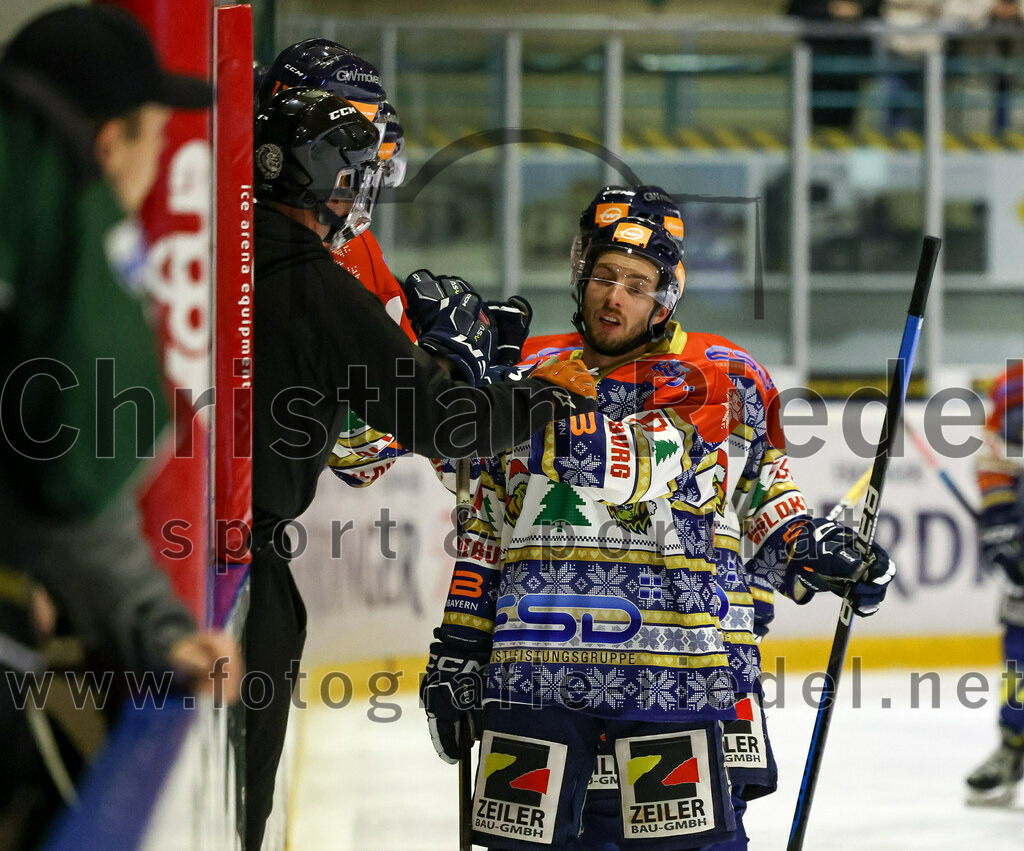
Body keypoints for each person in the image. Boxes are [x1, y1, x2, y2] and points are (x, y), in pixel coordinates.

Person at [419, 191, 896, 849]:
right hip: (536, 667)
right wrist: (460, 645)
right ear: (580, 272)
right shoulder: (531, 373)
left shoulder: (724, 379)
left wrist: (809, 546)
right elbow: (485, 522)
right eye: (605, 277)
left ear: (667, 294)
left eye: (637, 285)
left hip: (679, 668)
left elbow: (763, 498)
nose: (614, 297)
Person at [246, 85, 598, 850]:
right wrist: (533, 394)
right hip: (242, 578)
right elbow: (444, 423)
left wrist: (439, 365)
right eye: (361, 171)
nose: (366, 189)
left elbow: (358, 448)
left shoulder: (233, 248)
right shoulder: (313, 282)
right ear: (329, 171)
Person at [0, 5, 241, 847]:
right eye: (153, 140)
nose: (153, 165)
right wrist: (155, 626)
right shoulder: (69, 223)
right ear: (109, 145)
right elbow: (73, 483)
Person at [966, 359, 1024, 804]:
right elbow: (996, 456)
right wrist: (1000, 529)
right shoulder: (1014, 382)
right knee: (1019, 657)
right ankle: (1012, 746)